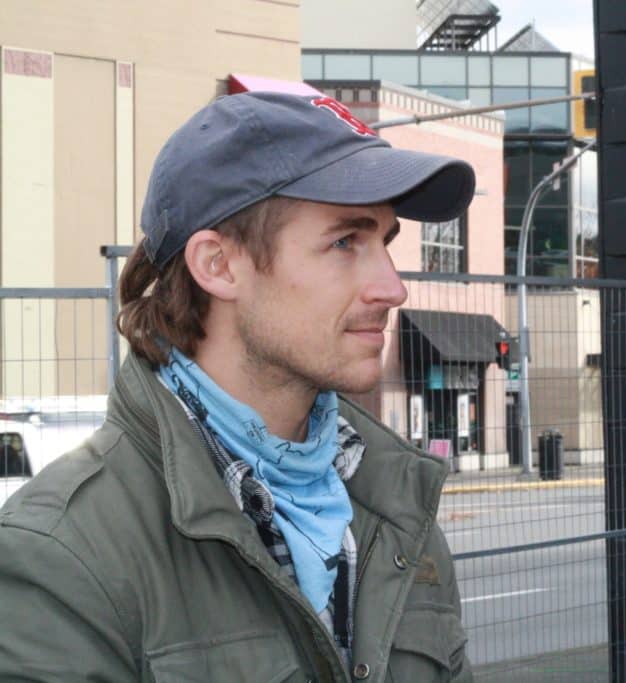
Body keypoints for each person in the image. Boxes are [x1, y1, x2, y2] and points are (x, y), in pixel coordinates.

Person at [0, 91, 476, 682]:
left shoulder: (397, 508)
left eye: (385, 242)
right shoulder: (65, 555)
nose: (392, 287)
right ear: (219, 265)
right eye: (345, 242)